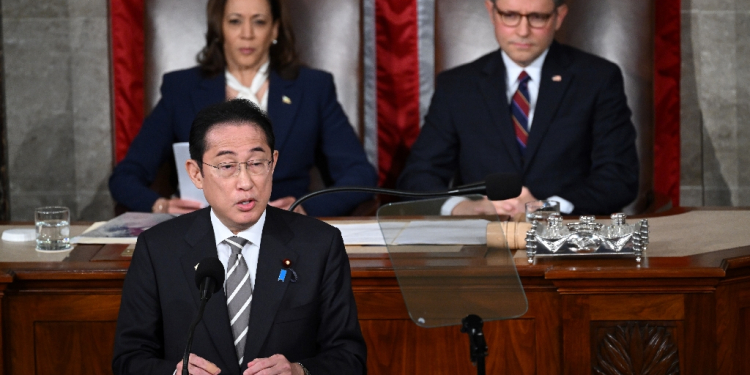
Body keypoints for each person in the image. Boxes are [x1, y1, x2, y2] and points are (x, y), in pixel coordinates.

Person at [112, 99, 367, 375]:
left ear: (274, 163)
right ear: (196, 173)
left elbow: (349, 358)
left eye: (256, 163)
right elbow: (129, 359)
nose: (245, 182)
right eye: (227, 166)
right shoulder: (158, 249)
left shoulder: (320, 245)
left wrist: (299, 371)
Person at [109, 0, 377, 217]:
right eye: (235, 21)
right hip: (203, 231)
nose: (246, 33)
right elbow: (126, 176)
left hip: (283, 231)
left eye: (259, 21)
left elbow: (360, 175)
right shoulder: (182, 88)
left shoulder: (312, 88)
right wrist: (160, 206)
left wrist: (304, 207)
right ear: (220, 28)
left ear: (274, 30)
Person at [397, 0, 639, 216]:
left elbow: (619, 178)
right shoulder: (457, 86)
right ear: (491, 11)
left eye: (538, 17)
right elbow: (418, 176)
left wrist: (546, 209)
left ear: (559, 16)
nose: (523, 31)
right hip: (482, 243)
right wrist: (464, 207)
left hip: (566, 243)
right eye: (510, 15)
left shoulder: (597, 78)